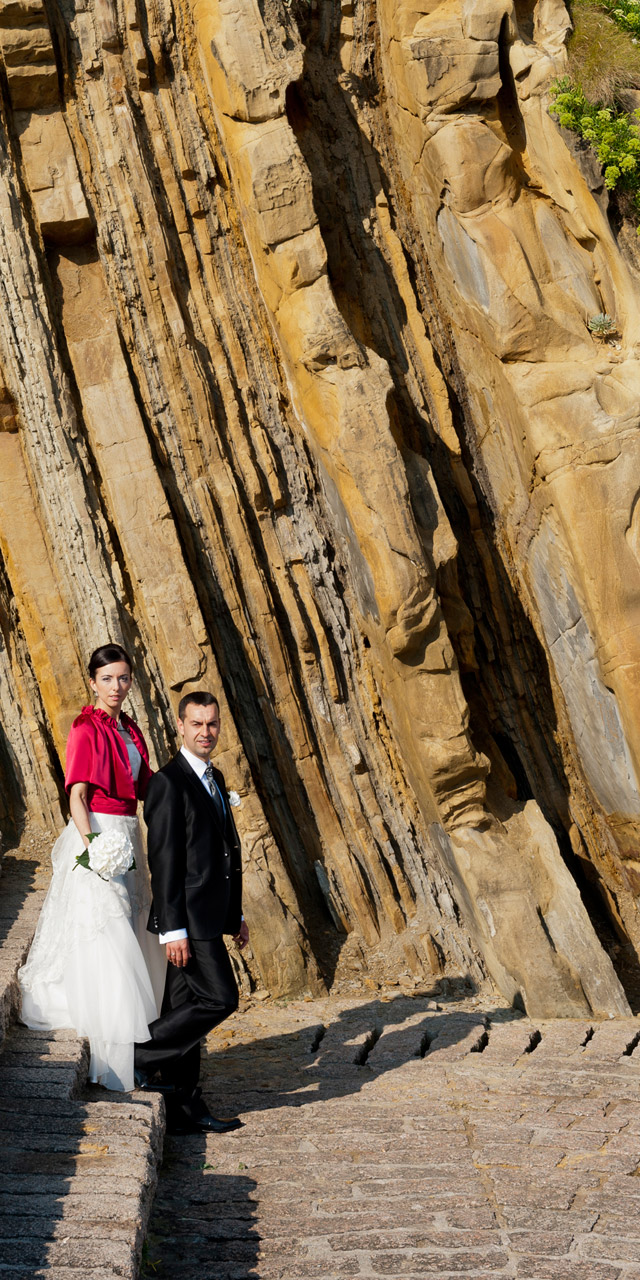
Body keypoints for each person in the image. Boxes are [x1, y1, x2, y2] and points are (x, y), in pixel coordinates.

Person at [18, 643, 166, 1091]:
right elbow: (77, 796)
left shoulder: (131, 730)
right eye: (108, 679)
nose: (117, 687)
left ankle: (143, 1045)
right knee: (108, 936)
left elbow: (147, 788)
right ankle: (112, 1056)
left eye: (123, 678)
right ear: (93, 682)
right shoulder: (85, 728)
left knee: (132, 928)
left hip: (128, 835)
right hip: (98, 834)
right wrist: (94, 847)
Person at [134, 691, 248, 1135]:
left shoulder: (214, 776)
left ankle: (184, 1105)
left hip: (209, 916)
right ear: (180, 726)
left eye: (212, 724)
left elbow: (223, 853)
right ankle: (138, 1056)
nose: (206, 732)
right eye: (197, 724)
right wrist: (172, 928)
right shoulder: (168, 782)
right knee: (221, 999)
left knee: (185, 1006)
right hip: (187, 922)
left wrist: (233, 915)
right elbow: (164, 862)